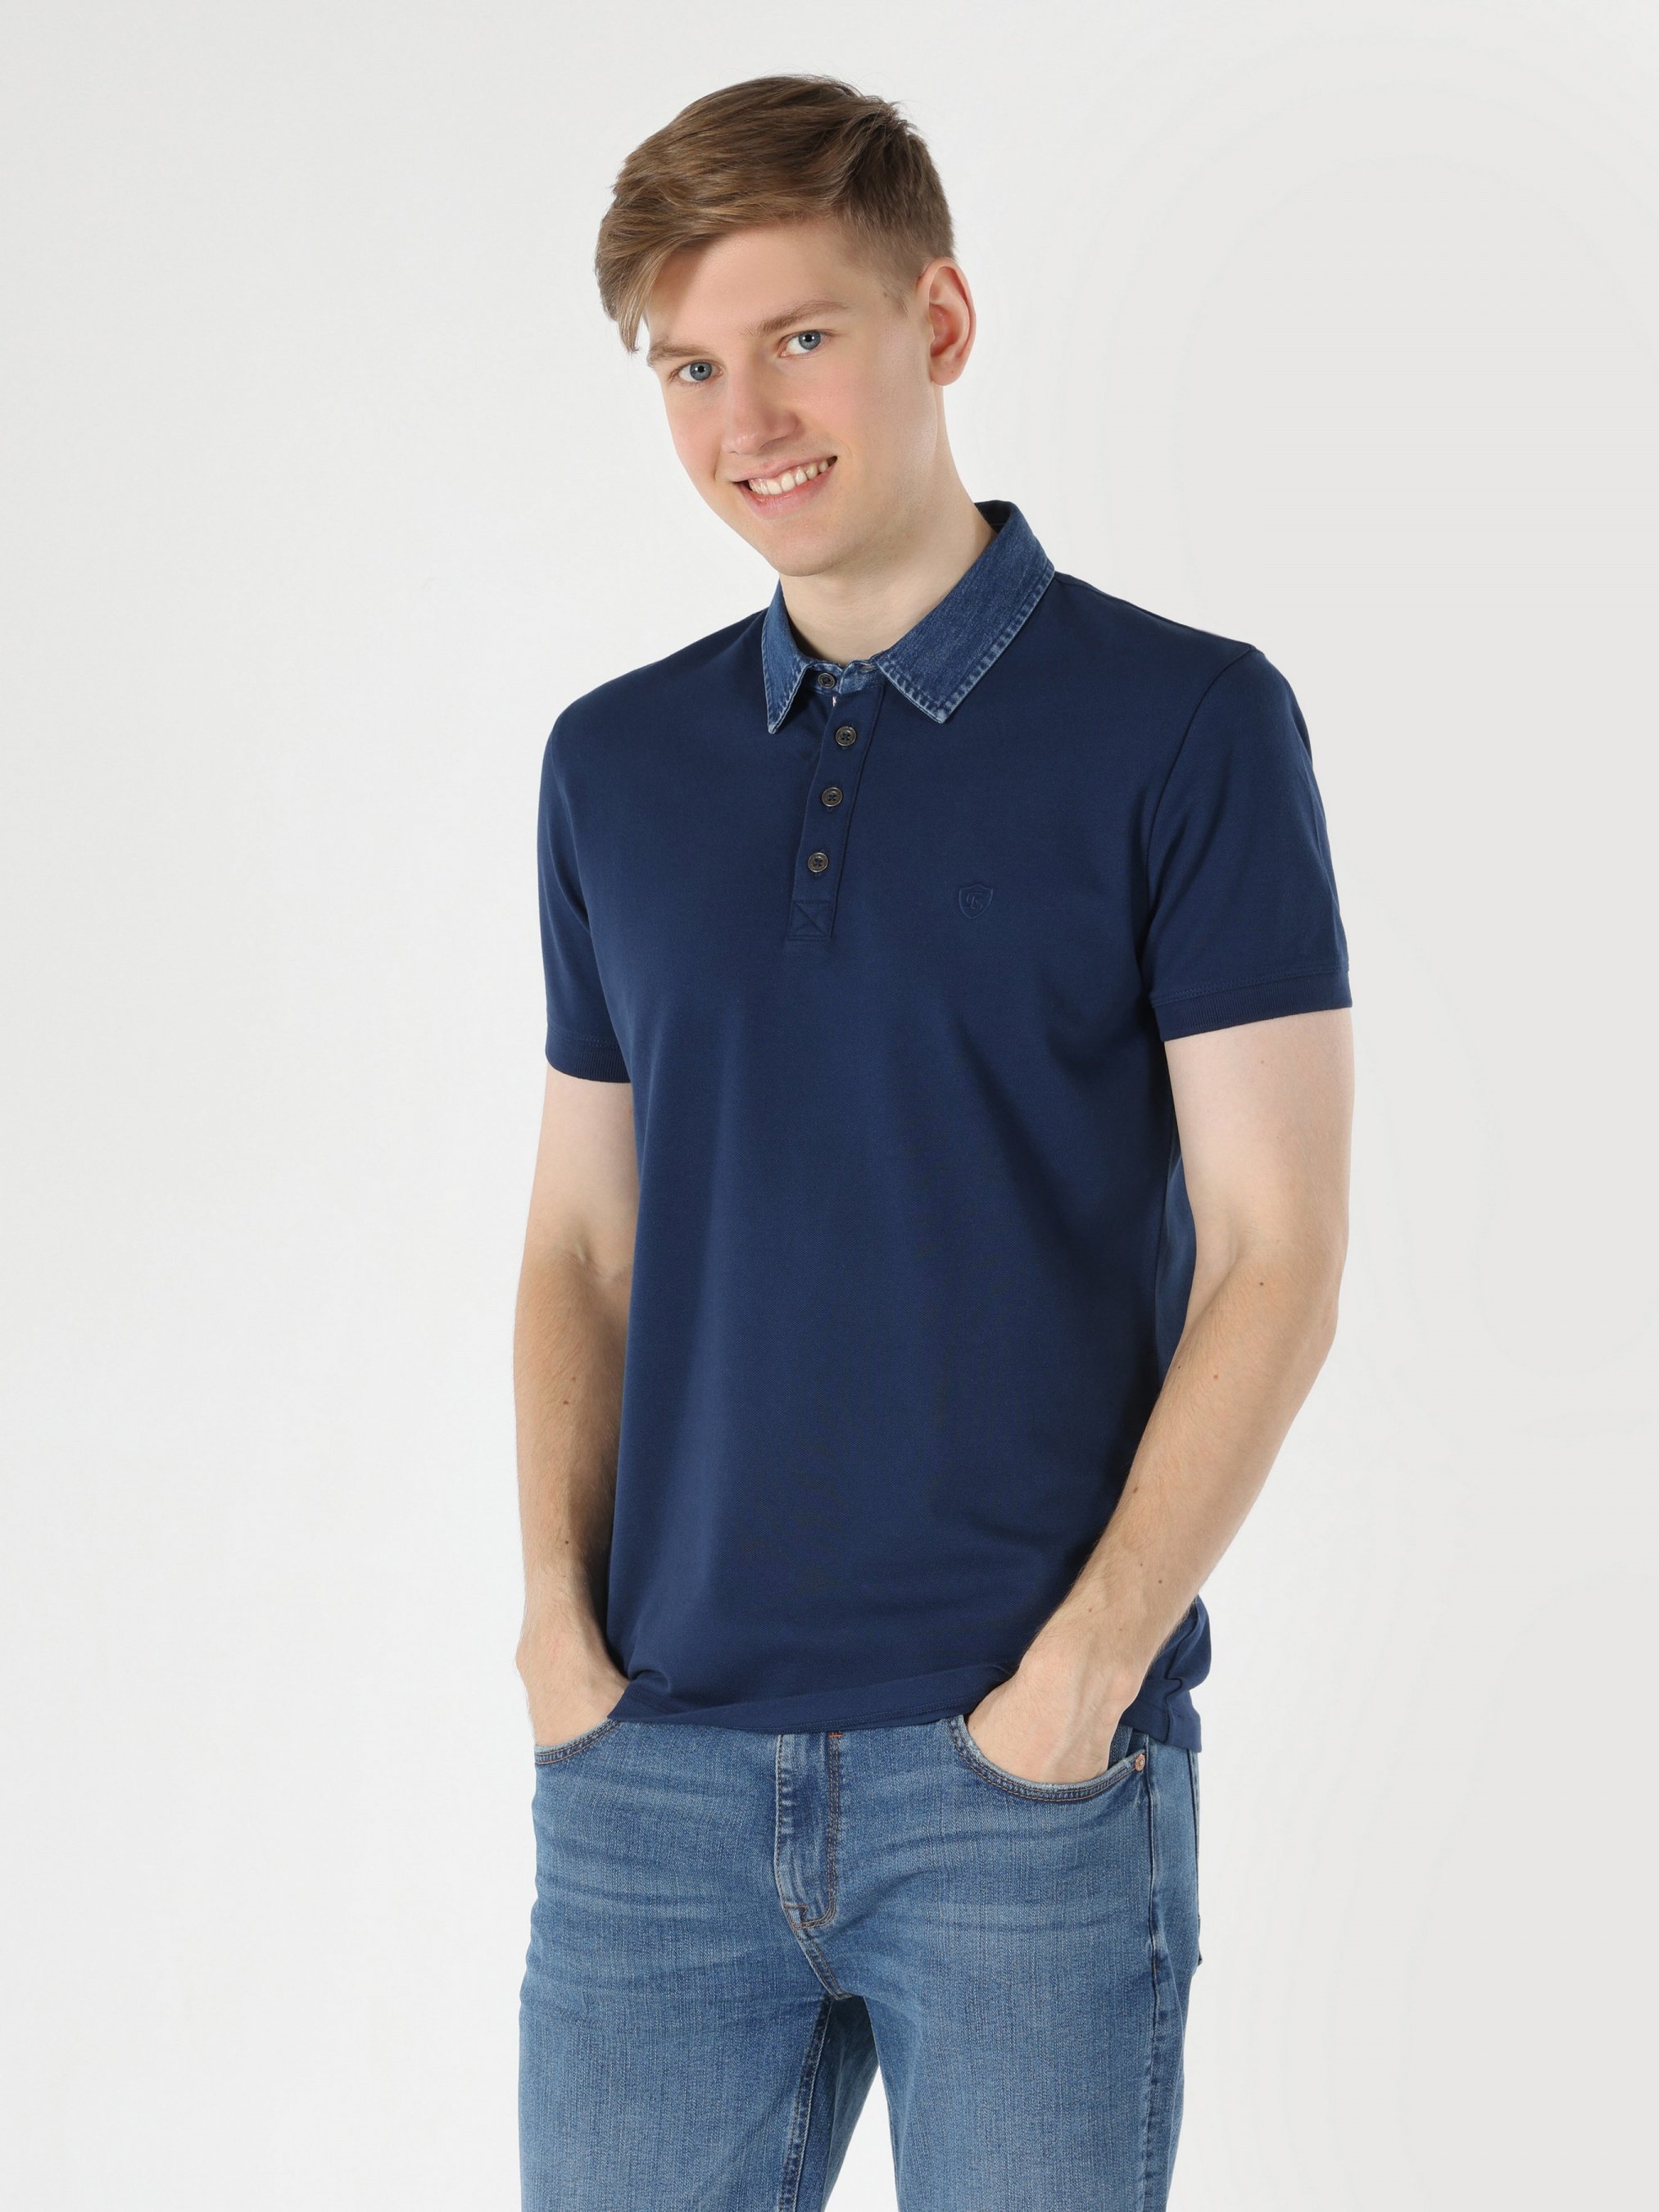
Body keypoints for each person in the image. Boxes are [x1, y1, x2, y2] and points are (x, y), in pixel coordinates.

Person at [513, 72, 1353, 2212]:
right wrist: (554, 1638)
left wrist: (1084, 1674)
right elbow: (585, 1244)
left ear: (940, 322)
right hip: (653, 1784)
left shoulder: (1187, 724)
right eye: (689, 368)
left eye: (799, 336)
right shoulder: (611, 765)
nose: (746, 420)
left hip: (1025, 1782)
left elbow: (1275, 1248)